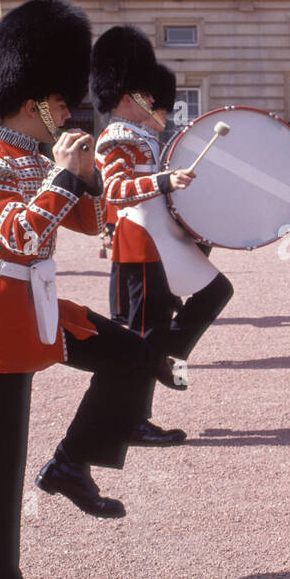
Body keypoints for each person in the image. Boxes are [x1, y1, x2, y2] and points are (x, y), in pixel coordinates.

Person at [0, 0, 168, 579]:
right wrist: (65, 175)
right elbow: (18, 234)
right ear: (32, 102)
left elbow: (89, 219)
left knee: (133, 354)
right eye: (61, 102)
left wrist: (113, 176)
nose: (69, 111)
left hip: (40, 297)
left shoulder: (35, 158)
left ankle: (72, 465)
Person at [93, 31, 233, 443]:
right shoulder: (116, 137)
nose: (152, 101)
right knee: (143, 334)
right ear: (122, 96)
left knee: (214, 293)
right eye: (143, 94)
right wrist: (165, 180)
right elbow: (115, 191)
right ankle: (132, 419)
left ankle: (163, 356)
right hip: (140, 245)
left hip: (163, 241)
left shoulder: (143, 137)